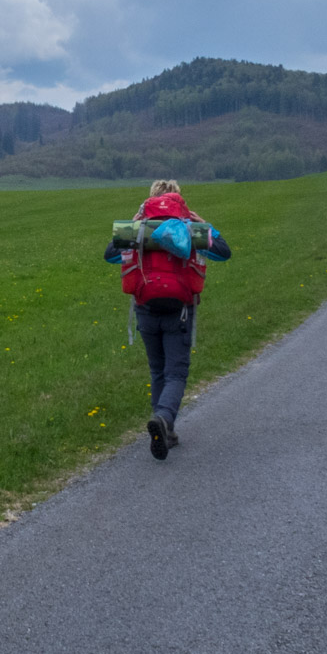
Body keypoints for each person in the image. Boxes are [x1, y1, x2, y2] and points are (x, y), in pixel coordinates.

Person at [104, 179, 231, 460]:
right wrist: (206, 224)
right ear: (178, 200)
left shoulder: (138, 231)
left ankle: (165, 428)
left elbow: (110, 255)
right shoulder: (189, 229)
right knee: (176, 372)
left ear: (150, 200)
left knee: (158, 370)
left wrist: (134, 222)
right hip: (180, 311)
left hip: (145, 309)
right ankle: (163, 420)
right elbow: (223, 251)